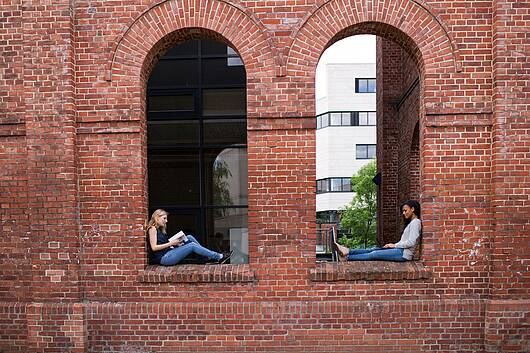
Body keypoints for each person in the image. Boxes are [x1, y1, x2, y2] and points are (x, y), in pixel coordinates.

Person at [333, 200, 422, 262]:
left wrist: (394, 245)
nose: (403, 213)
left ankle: (347, 258)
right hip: (399, 250)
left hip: (404, 254)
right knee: (373, 249)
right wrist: (392, 246)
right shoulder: (412, 223)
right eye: (403, 211)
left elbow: (411, 242)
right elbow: (405, 241)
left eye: (405, 210)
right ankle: (348, 251)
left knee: (374, 254)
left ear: (413, 209)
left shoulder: (416, 222)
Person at [146, 209, 231, 265]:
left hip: (168, 252)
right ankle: (219, 257)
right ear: (157, 217)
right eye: (164, 218)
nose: (166, 221)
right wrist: (170, 243)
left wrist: (174, 244)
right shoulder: (152, 229)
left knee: (189, 237)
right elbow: (154, 247)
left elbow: (164, 244)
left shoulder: (160, 230)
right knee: (192, 246)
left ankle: (207, 257)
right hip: (164, 258)